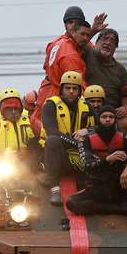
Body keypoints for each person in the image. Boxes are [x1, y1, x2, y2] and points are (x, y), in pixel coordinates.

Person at [66, 105, 127, 229]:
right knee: (71, 203)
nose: (108, 119)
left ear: (115, 120)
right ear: (99, 119)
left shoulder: (124, 137)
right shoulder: (87, 140)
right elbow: (86, 164)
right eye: (104, 117)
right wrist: (108, 159)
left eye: (111, 117)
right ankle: (120, 210)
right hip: (96, 188)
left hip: (118, 188)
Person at [30, 19, 96, 134]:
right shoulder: (71, 56)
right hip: (58, 94)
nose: (86, 38)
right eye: (83, 34)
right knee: (56, 132)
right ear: (73, 32)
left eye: (88, 35)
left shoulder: (58, 41)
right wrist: (92, 104)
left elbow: (46, 65)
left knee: (41, 126)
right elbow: (78, 84)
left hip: (46, 89)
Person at [40, 71, 94, 206]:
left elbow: (103, 126)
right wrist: (77, 143)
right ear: (61, 90)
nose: (71, 91)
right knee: (52, 140)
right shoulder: (50, 105)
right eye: (67, 88)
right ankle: (55, 189)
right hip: (57, 155)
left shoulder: (87, 106)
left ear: (80, 91)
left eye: (75, 88)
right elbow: (51, 131)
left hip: (79, 157)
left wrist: (87, 130)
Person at [82, 28, 127, 134]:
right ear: (96, 43)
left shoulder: (120, 69)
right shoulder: (88, 55)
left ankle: (120, 149)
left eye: (113, 42)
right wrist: (94, 29)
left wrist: (126, 107)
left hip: (110, 115)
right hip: (88, 111)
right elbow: (81, 41)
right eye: (104, 39)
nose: (108, 43)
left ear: (115, 48)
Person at [0, 87, 42, 165]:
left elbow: (44, 134)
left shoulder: (30, 120)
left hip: (29, 164)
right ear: (2, 110)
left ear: (21, 109)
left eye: (16, 109)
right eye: (9, 109)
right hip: (3, 165)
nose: (13, 112)